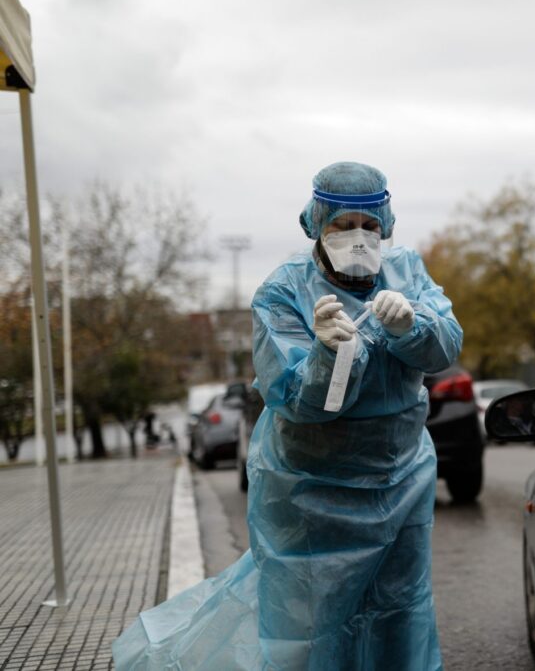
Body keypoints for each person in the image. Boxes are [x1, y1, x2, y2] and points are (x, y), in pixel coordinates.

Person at [113, 162, 462, 670]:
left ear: (386, 224)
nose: (358, 236)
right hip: (311, 491)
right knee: (307, 629)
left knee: (399, 611)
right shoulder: (282, 293)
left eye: (369, 224)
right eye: (343, 225)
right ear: (317, 224)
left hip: (400, 481)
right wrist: (327, 354)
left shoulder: (407, 270)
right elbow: (299, 403)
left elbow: (444, 348)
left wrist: (414, 327)